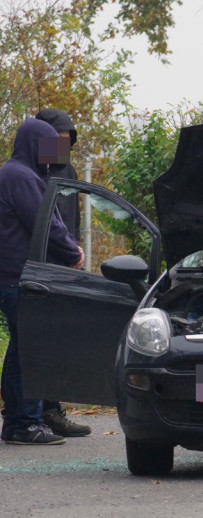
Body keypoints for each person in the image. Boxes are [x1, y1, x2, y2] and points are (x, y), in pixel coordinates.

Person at [0, 118, 84, 444]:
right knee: (31, 351)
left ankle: (18, 420)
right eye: (50, 146)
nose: (55, 155)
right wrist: (72, 251)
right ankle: (25, 424)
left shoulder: (17, 174)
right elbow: (44, 224)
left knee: (21, 351)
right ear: (34, 144)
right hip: (20, 280)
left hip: (12, 278)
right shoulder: (21, 179)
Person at [33, 109, 91, 437]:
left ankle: (50, 409)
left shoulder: (65, 169)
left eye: (68, 142)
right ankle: (32, 410)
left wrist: (77, 251)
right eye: (59, 140)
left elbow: (72, 218)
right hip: (40, 268)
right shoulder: (33, 173)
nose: (64, 147)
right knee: (34, 342)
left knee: (57, 342)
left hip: (65, 266)